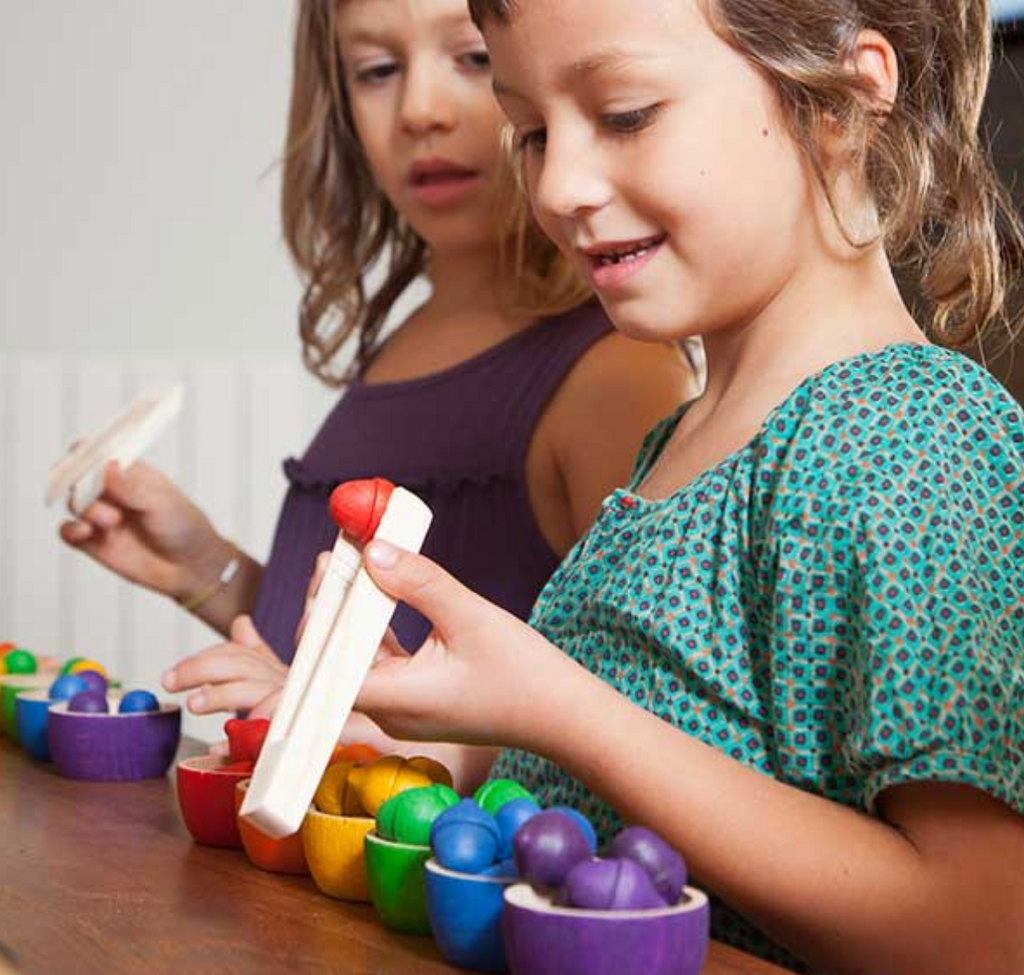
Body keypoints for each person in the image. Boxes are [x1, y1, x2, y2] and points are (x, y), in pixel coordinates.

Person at [328, 1, 1024, 972]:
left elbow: (980, 932)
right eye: (531, 130)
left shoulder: (912, 437)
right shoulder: (681, 442)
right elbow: (667, 758)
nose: (560, 185)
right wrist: (436, 724)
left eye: (624, 114)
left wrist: (554, 704)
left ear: (846, 100)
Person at [58, 0, 696, 758]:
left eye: (473, 58)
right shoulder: (407, 344)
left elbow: (647, 745)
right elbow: (361, 662)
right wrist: (206, 567)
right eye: (378, 70)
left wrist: (398, 751)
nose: (420, 111)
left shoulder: (615, 375)